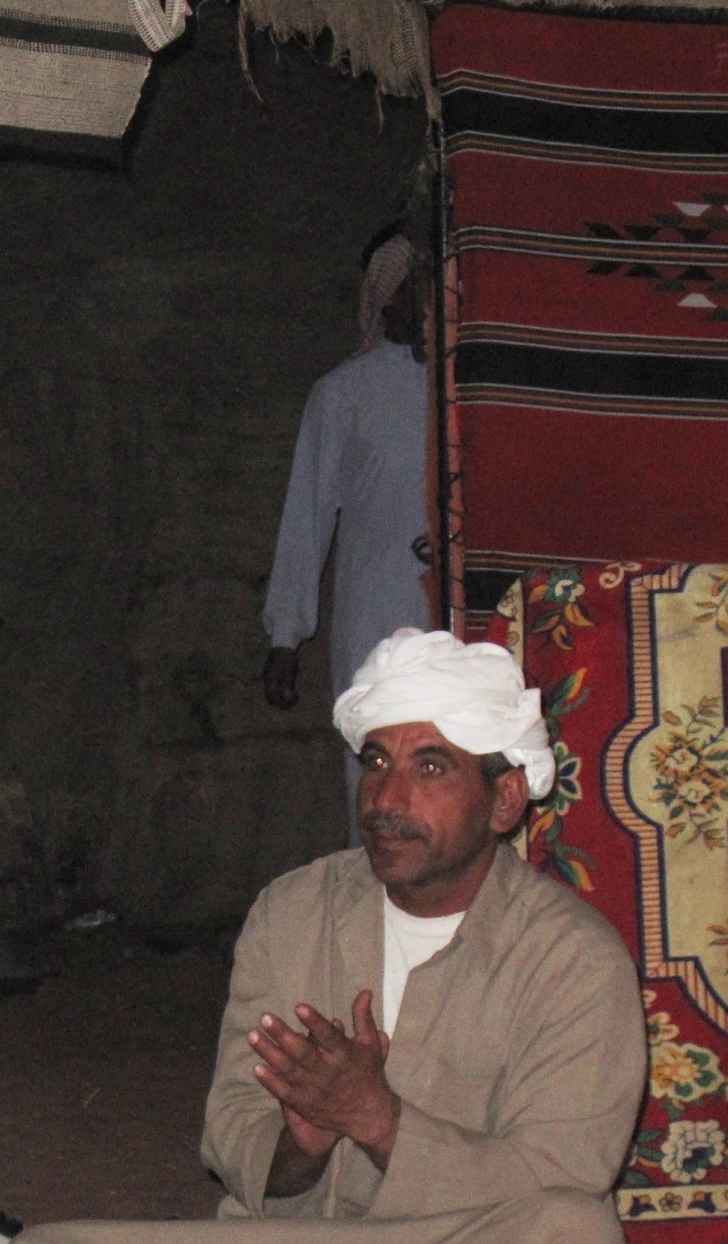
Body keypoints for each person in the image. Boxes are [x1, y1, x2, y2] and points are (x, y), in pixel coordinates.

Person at [0, 629, 650, 1244]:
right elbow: (231, 1133)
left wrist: (379, 1123)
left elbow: (556, 1180)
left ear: (505, 799)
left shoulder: (571, 959)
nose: (385, 798)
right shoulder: (294, 910)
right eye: (375, 762)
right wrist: (297, 1147)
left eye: (429, 767)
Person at [262, 229, 436, 826]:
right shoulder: (342, 394)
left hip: (454, 615)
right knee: (379, 764)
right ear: (385, 298)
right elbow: (305, 516)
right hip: (375, 612)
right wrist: (286, 635)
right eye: (411, 289)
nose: (424, 302)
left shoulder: (463, 389)